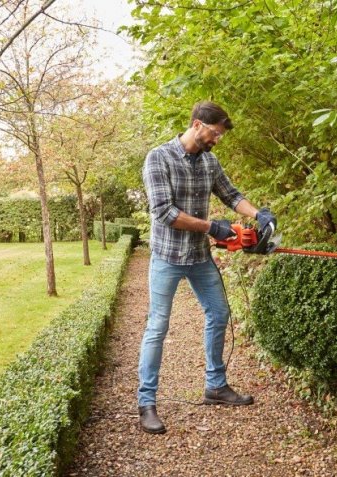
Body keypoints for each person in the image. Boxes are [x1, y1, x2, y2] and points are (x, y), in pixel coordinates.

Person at [137, 101, 276, 434]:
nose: (217, 141)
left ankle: (215, 385)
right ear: (197, 125)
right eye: (214, 134)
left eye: (220, 136)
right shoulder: (159, 158)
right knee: (158, 326)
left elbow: (231, 195)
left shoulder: (210, 162)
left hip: (200, 257)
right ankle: (146, 402)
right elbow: (164, 213)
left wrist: (257, 214)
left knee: (219, 313)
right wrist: (212, 227)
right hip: (167, 257)